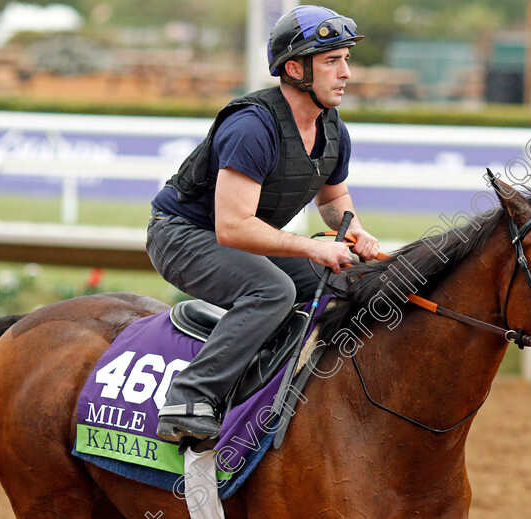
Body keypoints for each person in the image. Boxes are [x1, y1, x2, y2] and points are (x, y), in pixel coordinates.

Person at [146, 4, 379, 443]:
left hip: (235, 237)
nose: (346, 72)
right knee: (272, 290)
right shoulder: (252, 126)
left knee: (341, 279)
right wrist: (314, 246)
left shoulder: (332, 127)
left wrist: (354, 232)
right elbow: (231, 228)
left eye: (346, 59)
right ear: (295, 69)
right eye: (332, 61)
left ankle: (284, 384)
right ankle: (188, 398)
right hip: (180, 236)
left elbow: (333, 199)